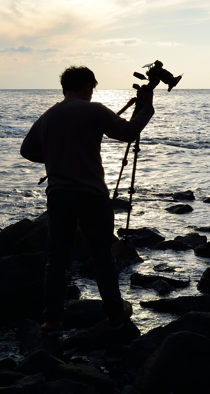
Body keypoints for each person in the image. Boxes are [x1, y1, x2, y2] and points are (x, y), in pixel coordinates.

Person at [20, 66, 155, 332]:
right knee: (102, 255)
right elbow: (128, 133)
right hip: (91, 194)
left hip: (58, 195)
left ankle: (53, 318)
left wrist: (59, 156)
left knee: (57, 258)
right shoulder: (93, 110)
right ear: (86, 87)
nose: (92, 94)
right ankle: (115, 313)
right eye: (91, 89)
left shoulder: (48, 115)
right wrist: (146, 109)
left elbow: (27, 150)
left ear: (64, 88)